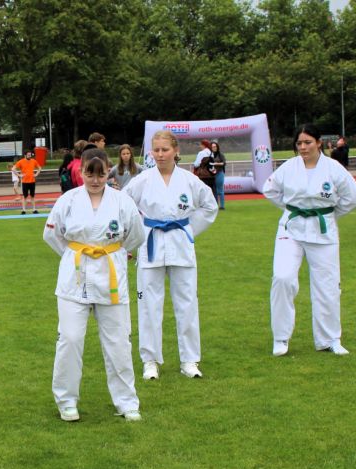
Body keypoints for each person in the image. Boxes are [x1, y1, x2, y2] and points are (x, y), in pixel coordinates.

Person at [43, 148, 145, 422]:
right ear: (81, 171)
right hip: (74, 277)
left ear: (108, 171)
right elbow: (52, 236)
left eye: (101, 174)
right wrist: (74, 254)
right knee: (70, 339)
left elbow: (135, 235)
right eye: (90, 173)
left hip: (111, 275)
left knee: (118, 342)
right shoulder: (67, 200)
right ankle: (66, 401)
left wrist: (115, 252)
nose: (96, 179)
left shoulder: (122, 201)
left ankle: (126, 402)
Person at [125, 130, 218, 380]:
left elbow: (210, 206)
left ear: (176, 151)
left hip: (181, 244)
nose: (160, 154)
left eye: (165, 149)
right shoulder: (142, 181)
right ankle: (150, 361)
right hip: (150, 243)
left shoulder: (189, 180)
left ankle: (189, 360)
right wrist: (132, 239)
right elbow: (123, 207)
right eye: (156, 150)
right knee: (149, 306)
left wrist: (188, 228)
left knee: (187, 304)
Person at [263, 123, 356, 357]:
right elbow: (271, 190)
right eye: (299, 143)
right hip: (292, 227)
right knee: (283, 277)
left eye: (308, 142)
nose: (303, 147)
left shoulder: (333, 168)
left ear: (319, 143)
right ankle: (281, 338)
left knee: (327, 286)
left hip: (323, 230)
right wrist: (291, 209)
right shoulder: (288, 167)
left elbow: (353, 198)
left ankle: (329, 339)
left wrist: (329, 214)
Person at [15, 150, 42, 214]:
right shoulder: (21, 161)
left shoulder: (33, 161)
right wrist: (19, 175)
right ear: (25, 155)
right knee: (25, 196)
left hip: (32, 181)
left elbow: (39, 168)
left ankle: (34, 209)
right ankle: (24, 210)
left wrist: (36, 174)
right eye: (28, 155)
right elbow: (13, 168)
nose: (30, 156)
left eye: (30, 155)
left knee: (32, 196)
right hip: (25, 182)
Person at [209, 141, 227, 210]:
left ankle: (222, 206)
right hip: (212, 174)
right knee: (214, 190)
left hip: (219, 173)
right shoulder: (209, 155)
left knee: (220, 190)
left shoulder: (220, 155)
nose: (214, 148)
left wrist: (215, 164)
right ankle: (216, 205)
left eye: (215, 146)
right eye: (213, 147)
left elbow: (224, 163)